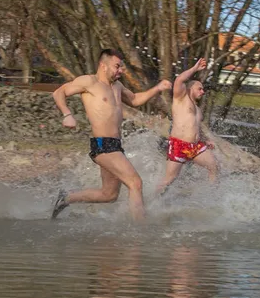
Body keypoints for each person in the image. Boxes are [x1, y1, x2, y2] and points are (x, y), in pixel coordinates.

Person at [50, 50, 170, 221]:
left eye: (121, 67)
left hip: (115, 145)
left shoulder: (117, 86)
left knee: (109, 195)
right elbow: (58, 92)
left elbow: (135, 99)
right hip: (102, 144)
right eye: (117, 66)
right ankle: (141, 232)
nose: (120, 70)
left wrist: (157, 88)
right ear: (103, 65)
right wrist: (67, 114)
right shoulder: (89, 81)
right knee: (135, 183)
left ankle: (66, 198)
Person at [154, 58, 220, 195]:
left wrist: (205, 140)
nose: (203, 91)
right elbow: (179, 80)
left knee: (214, 166)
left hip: (195, 146)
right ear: (190, 88)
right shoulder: (180, 98)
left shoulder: (198, 109)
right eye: (200, 88)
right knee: (170, 179)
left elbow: (196, 127)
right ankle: (153, 201)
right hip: (179, 145)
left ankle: (210, 196)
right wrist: (195, 68)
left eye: (203, 89)